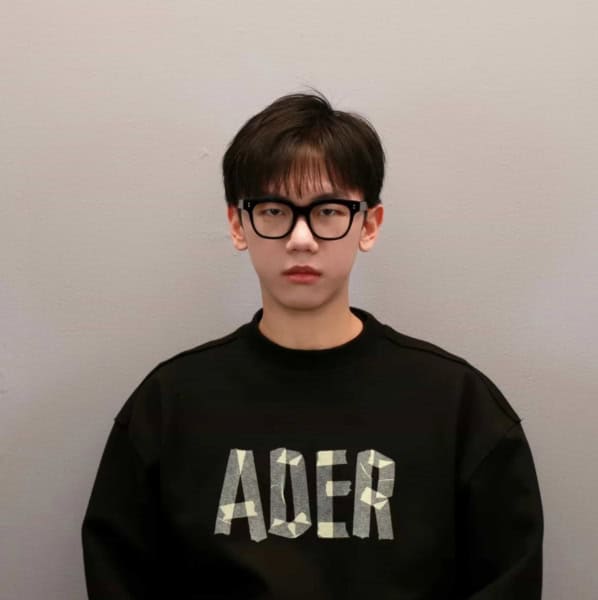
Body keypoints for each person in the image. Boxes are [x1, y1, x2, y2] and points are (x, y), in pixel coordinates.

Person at [81, 90, 544, 599]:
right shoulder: (170, 404)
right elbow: (117, 575)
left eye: (327, 211)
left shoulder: (458, 405)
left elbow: (509, 577)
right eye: (273, 210)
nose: (301, 239)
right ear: (238, 225)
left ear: (368, 224)